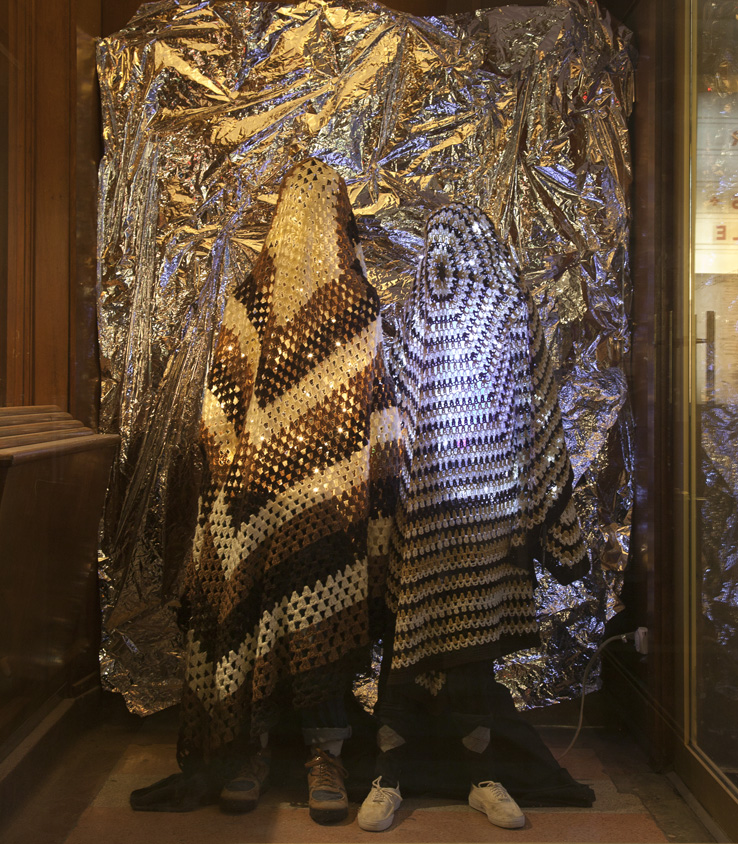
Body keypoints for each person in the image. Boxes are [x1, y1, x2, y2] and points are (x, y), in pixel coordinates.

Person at [131, 158, 401, 823]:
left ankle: (325, 753)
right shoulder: (249, 301)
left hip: (330, 500)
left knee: (323, 602)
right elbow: (220, 408)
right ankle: (249, 748)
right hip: (257, 494)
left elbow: (375, 412)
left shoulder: (358, 305)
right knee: (248, 596)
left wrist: (361, 489)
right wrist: (235, 480)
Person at [357, 203, 593, 832]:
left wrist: (550, 519)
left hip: (489, 523)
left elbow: (538, 414)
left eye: (452, 246)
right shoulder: (411, 317)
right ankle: (388, 776)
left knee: (470, 658)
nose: (443, 260)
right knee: (407, 653)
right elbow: (386, 416)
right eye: (434, 246)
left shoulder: (512, 316)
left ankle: (482, 779)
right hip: (422, 522)